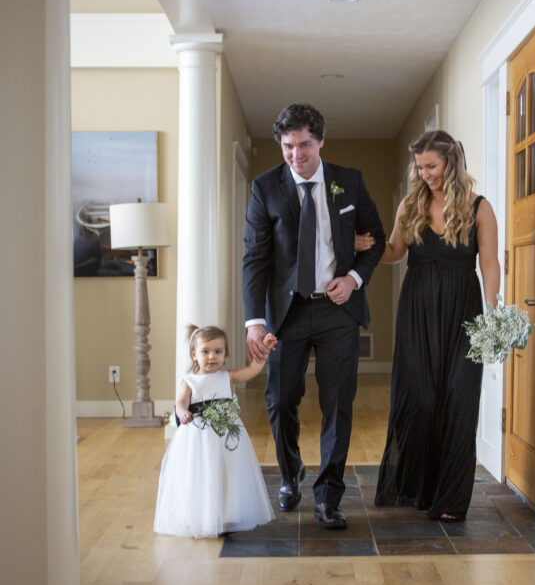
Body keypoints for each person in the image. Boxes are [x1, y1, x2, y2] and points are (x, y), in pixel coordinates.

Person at [242, 103, 385, 529]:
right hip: (285, 314)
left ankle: (328, 497)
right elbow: (255, 259)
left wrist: (355, 278)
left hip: (337, 310)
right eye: (288, 146)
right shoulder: (265, 188)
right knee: (281, 400)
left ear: (320, 141)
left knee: (338, 403)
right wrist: (255, 320)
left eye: (305, 144)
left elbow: (374, 241)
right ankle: (290, 477)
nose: (297, 154)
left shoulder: (349, 183)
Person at [369, 130, 500, 521]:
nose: (425, 173)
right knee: (422, 400)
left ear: (451, 162)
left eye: (432, 166)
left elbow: (490, 263)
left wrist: (491, 311)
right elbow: (394, 252)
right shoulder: (411, 205)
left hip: (465, 312)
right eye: (420, 167)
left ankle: (452, 500)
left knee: (459, 400)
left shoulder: (479, 207)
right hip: (418, 311)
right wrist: (366, 247)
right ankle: (421, 487)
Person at [154, 324, 277, 538]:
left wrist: (263, 351)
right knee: (202, 472)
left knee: (227, 471)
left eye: (218, 352)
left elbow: (252, 371)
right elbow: (180, 403)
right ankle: (201, 515)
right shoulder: (190, 381)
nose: (212, 357)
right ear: (194, 354)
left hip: (226, 433)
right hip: (198, 435)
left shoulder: (226, 376)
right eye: (205, 352)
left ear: (225, 354)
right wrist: (183, 413)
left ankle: (227, 512)